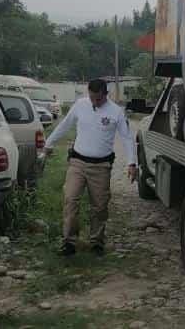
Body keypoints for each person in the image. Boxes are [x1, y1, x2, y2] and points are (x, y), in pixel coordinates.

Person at [44, 79, 137, 256]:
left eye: (98, 99)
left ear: (105, 94)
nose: (94, 102)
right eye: (91, 98)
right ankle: (69, 242)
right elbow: (65, 125)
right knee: (71, 200)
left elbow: (126, 138)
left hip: (101, 166)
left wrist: (132, 163)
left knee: (100, 206)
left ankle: (96, 242)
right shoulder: (80, 105)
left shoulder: (116, 112)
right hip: (77, 163)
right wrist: (49, 143)